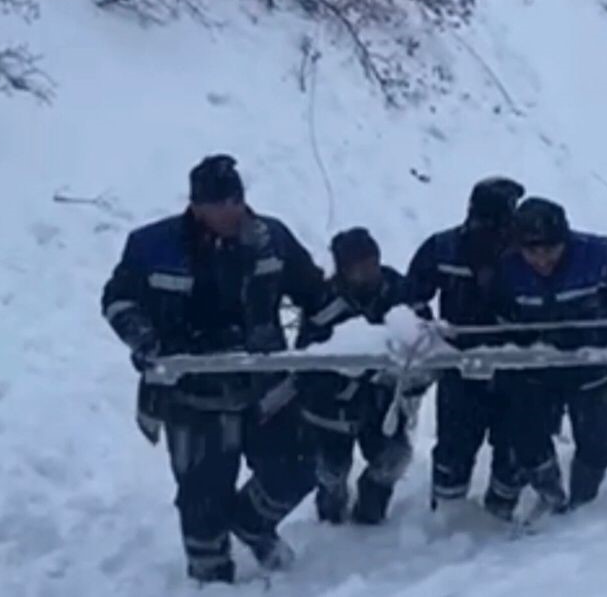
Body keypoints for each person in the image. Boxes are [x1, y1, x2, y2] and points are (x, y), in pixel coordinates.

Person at [100, 154, 331, 584]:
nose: (231, 211)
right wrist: (141, 336)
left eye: (237, 200)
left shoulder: (272, 239)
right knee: (202, 500)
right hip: (192, 395)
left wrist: (335, 340)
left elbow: (317, 295)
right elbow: (117, 299)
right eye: (219, 203)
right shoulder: (153, 245)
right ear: (196, 206)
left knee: (298, 468)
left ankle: (251, 522)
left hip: (265, 387)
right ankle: (211, 578)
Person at [491, 197, 607, 514]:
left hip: (597, 366)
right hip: (538, 369)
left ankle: (583, 505)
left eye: (550, 249)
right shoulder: (506, 270)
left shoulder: (602, 255)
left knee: (599, 448)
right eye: (532, 251)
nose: (542, 259)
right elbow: (497, 316)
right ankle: (552, 496)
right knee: (527, 443)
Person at [405, 176, 527, 519]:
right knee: (453, 447)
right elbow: (411, 294)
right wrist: (433, 335)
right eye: (484, 221)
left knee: (514, 444)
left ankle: (501, 515)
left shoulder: (525, 250)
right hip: (459, 363)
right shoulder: (443, 247)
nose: (491, 231)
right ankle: (446, 518)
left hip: (515, 363)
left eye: (500, 223)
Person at [293, 227, 418, 526]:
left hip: (382, 401)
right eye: (357, 266)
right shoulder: (323, 301)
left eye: (371, 262)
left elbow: (419, 331)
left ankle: (371, 510)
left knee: (393, 459)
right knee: (330, 470)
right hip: (329, 407)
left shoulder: (397, 289)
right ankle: (330, 514)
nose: (367, 271)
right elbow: (306, 360)